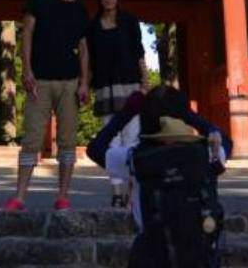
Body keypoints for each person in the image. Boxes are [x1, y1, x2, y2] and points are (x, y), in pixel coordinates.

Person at [88, 84, 231, 256]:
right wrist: (188, 114)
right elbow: (227, 142)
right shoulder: (206, 154)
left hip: (154, 252)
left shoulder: (135, 158)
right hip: (199, 253)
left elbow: (95, 149)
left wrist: (126, 113)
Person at [2, 0, 91, 212]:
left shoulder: (79, 10)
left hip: (70, 82)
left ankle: (63, 196)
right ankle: (19, 196)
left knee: (67, 140)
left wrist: (84, 82)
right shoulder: (39, 0)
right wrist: (26, 68)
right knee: (32, 138)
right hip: (40, 80)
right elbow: (27, 33)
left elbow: (83, 48)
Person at [86, 0, 148, 206]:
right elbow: (89, 60)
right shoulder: (92, 26)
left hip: (130, 87)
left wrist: (145, 83)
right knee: (112, 142)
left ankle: (132, 190)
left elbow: (139, 53)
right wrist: (85, 84)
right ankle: (117, 192)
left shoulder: (130, 21)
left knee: (132, 138)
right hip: (105, 89)